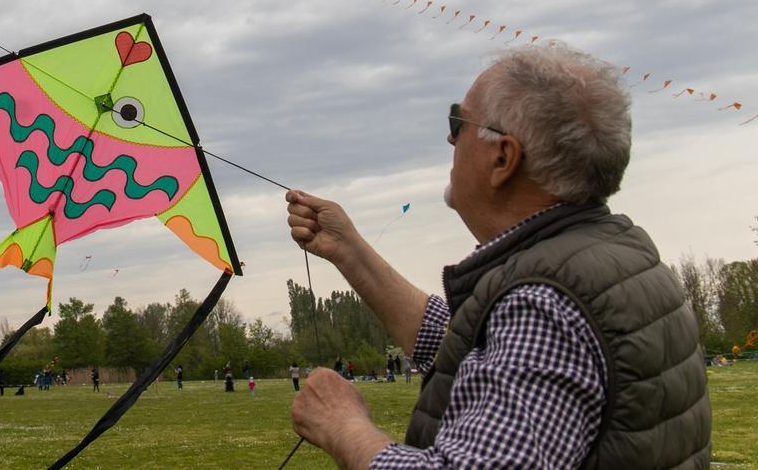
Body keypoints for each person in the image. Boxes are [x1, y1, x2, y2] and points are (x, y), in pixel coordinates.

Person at [286, 44, 710, 468]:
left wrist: (344, 425)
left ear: (503, 157)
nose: (450, 137)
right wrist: (349, 250)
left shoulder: (544, 303)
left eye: (459, 120)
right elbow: (464, 343)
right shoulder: (609, 254)